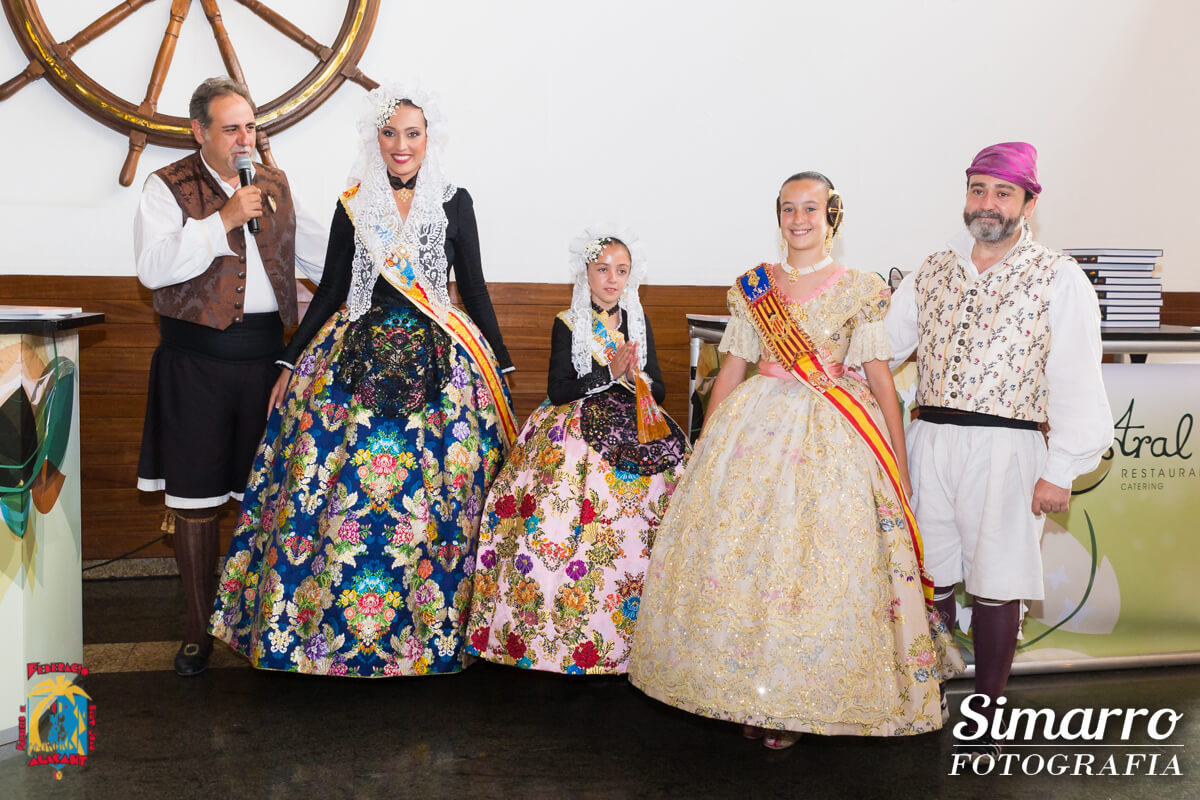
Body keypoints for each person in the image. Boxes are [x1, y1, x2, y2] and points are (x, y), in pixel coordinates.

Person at [628, 172, 961, 749]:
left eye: (811, 208)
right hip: (755, 430)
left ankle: (799, 702)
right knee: (748, 564)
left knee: (817, 563)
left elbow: (883, 384)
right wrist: (705, 449)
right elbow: (731, 371)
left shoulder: (860, 288)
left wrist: (899, 466)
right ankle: (748, 693)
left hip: (835, 434)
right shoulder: (753, 288)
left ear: (832, 216)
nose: (799, 219)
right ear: (778, 216)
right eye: (788, 208)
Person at [208, 82, 518, 677]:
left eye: (412, 133)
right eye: (390, 133)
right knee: (328, 489)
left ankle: (436, 637)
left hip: (441, 359)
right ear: (375, 138)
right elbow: (330, 290)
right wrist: (288, 361)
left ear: (428, 138)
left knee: (441, 498)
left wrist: (500, 364)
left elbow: (473, 289)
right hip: (355, 353)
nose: (401, 145)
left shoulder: (455, 202)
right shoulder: (352, 202)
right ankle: (320, 640)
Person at [884, 143, 1112, 757]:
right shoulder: (932, 269)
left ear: (1029, 204)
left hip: (1009, 446)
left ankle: (987, 710)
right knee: (927, 570)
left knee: (997, 577)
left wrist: (1061, 469)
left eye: (1003, 193)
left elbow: (1075, 379)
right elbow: (882, 348)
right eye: (978, 189)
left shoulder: (1059, 277)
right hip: (930, 438)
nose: (988, 203)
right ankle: (926, 695)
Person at [133, 77, 327, 677]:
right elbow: (152, 268)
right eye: (231, 128)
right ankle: (198, 631)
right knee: (195, 503)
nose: (245, 139)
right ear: (199, 131)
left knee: (264, 497)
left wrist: (382, 252)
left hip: (268, 364)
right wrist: (223, 218)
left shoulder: (274, 185)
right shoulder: (167, 185)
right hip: (195, 363)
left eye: (250, 126)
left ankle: (259, 626)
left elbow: (319, 255)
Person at [465, 226, 690, 675]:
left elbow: (661, 390)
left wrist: (636, 378)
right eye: (602, 269)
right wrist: (609, 372)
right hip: (575, 427)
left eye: (621, 271)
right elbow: (559, 389)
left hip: (635, 422)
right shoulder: (567, 322)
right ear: (585, 272)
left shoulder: (638, 322)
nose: (612, 279)